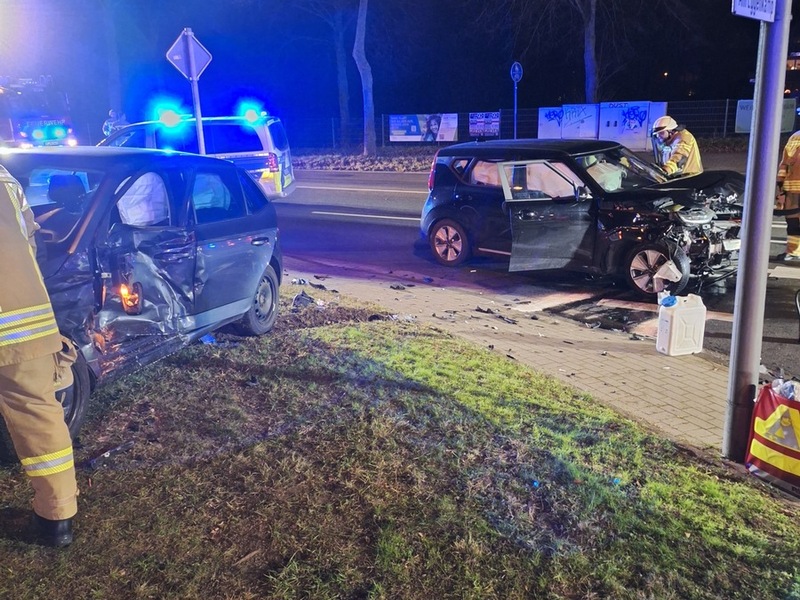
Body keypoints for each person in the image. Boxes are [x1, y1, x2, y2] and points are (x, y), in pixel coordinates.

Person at [0, 164, 79, 547]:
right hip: (24, 322)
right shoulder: (5, 179)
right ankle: (57, 519)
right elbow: (31, 241)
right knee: (39, 416)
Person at [776, 129, 800, 261]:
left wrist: (780, 185)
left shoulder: (795, 137)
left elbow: (784, 164)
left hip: (792, 188)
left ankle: (793, 251)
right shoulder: (795, 137)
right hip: (792, 188)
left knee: (793, 221)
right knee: (793, 222)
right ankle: (793, 251)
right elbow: (784, 164)